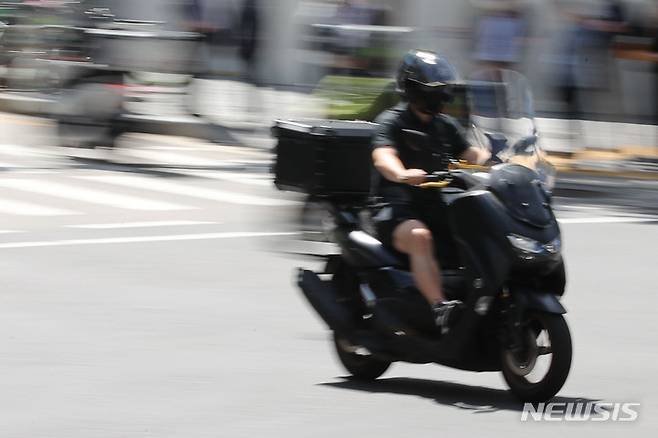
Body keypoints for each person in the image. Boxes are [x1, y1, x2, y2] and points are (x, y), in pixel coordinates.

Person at [371, 50, 489, 333]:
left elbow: (472, 153)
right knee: (420, 237)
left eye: (442, 90)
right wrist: (401, 173)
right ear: (413, 89)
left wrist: (497, 162)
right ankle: (440, 308)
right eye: (433, 90)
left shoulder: (443, 125)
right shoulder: (392, 121)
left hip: (434, 206)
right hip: (395, 209)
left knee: (478, 229)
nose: (441, 96)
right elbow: (382, 156)